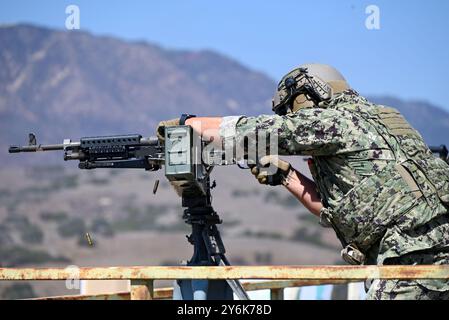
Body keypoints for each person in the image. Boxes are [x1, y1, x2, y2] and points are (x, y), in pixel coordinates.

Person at [157, 63, 449, 300]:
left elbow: (257, 132)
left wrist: (189, 125)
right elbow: (337, 209)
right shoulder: (387, 118)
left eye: (290, 109)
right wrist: (286, 176)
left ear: (307, 94)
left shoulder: (335, 121)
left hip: (411, 262)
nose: (290, 116)